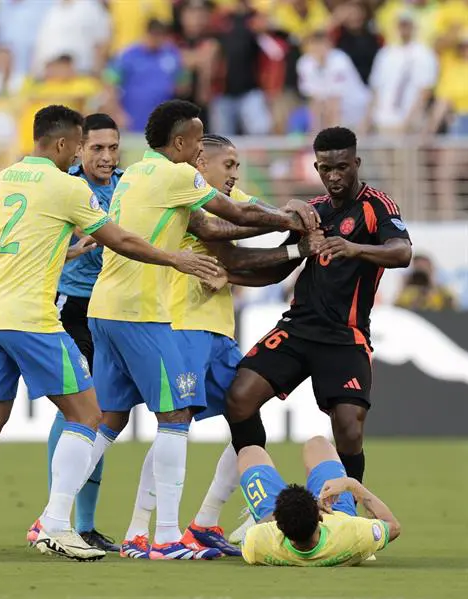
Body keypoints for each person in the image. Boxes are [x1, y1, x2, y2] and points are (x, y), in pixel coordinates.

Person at [0, 104, 221, 563]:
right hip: (33, 317)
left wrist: (67, 251)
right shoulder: (68, 186)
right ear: (60, 144)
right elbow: (124, 240)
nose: (78, 155)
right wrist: (177, 259)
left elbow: (4, 248)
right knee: (88, 415)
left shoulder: (1, 180)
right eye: (77, 145)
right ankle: (55, 524)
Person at [82, 100, 316, 561]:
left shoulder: (208, 189)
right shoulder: (184, 191)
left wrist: (294, 229)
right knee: (175, 424)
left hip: (215, 332)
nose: (233, 173)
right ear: (196, 158)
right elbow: (236, 258)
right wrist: (294, 240)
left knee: (246, 423)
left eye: (237, 166)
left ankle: (204, 523)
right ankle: (140, 530)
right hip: (182, 323)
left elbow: (253, 221)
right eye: (227, 164)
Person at [224, 127, 413, 534]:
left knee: (348, 426)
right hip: (298, 328)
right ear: (316, 168)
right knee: (239, 397)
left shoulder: (376, 206)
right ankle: (259, 506)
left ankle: (344, 511)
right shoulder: (312, 211)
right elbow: (280, 268)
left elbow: (402, 252)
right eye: (326, 168)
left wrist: (355, 248)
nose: (335, 176)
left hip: (345, 335)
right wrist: (229, 276)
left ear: (356, 164)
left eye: (343, 167)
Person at [29, 113, 125, 553]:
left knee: (103, 413)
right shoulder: (63, 186)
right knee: (79, 409)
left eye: (112, 147)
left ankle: (80, 522)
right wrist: (76, 250)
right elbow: (41, 249)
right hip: (73, 307)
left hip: (117, 308)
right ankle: (56, 517)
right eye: (97, 148)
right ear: (79, 148)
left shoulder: (128, 185)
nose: (106, 156)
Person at [238, 436, 400, 566]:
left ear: (278, 525)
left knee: (249, 453)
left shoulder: (256, 544)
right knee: (318, 444)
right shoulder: (356, 534)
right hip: (339, 513)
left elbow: (253, 533)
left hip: (286, 517)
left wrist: (282, 513)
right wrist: (352, 484)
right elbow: (393, 526)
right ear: (320, 516)